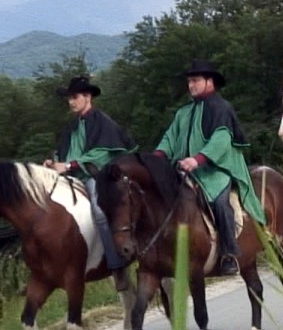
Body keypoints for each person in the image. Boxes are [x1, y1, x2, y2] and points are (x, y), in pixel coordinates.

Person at [153, 59, 265, 276]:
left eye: (195, 80)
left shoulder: (221, 108)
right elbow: (169, 138)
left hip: (216, 170)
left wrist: (197, 159)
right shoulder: (183, 112)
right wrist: (157, 157)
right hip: (185, 171)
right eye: (189, 81)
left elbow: (221, 139)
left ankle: (229, 254)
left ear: (209, 81)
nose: (191, 85)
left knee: (221, 203)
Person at [44, 75, 137, 291]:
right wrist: (54, 162)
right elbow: (62, 153)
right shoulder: (71, 127)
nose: (71, 102)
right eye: (69, 98)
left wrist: (68, 166)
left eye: (75, 97)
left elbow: (102, 154)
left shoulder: (103, 122)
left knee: (99, 212)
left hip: (96, 177)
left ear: (87, 97)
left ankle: (117, 266)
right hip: (71, 178)